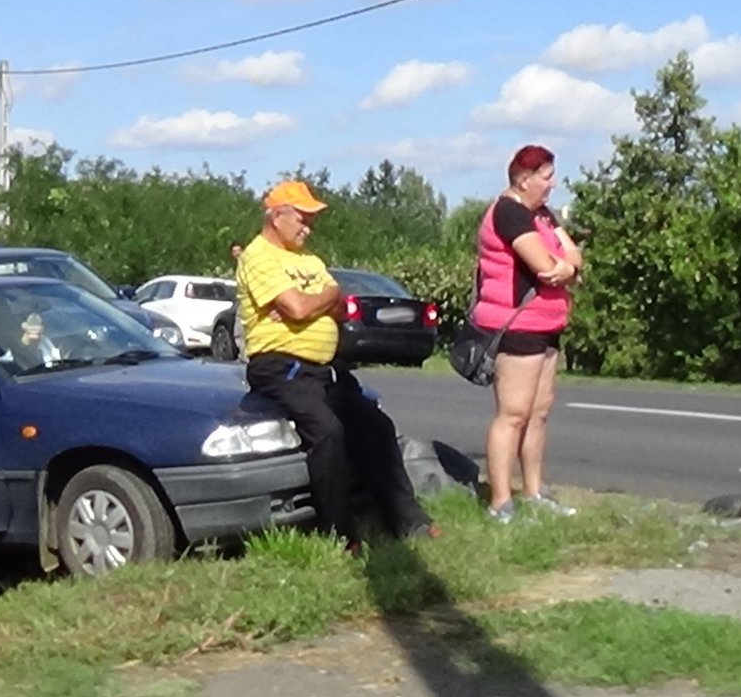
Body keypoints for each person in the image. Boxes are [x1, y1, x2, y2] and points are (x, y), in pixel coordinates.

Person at [235, 180, 440, 551]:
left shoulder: (310, 261)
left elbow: (340, 305)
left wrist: (319, 299)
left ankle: (407, 520)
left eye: (311, 220)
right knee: (328, 432)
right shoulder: (258, 256)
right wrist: (315, 302)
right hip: (281, 367)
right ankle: (341, 534)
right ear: (276, 216)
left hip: (323, 368)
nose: (307, 227)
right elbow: (297, 307)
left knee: (376, 426)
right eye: (301, 218)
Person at [472, 145, 581, 523]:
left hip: (548, 325)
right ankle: (501, 501)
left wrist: (565, 268)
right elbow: (542, 264)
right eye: (547, 177)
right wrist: (563, 267)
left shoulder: (542, 215)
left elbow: (572, 257)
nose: (553, 184)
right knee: (513, 414)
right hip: (517, 325)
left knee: (538, 413)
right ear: (524, 179)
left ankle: (535, 490)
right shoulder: (510, 212)